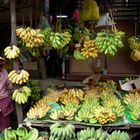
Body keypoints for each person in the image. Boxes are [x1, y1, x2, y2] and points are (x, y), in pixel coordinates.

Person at [0, 56, 14, 132]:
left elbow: (10, 86)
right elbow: (10, 86)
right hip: (4, 99)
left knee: (5, 124)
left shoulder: (4, 71)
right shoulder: (4, 71)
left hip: (4, 100)